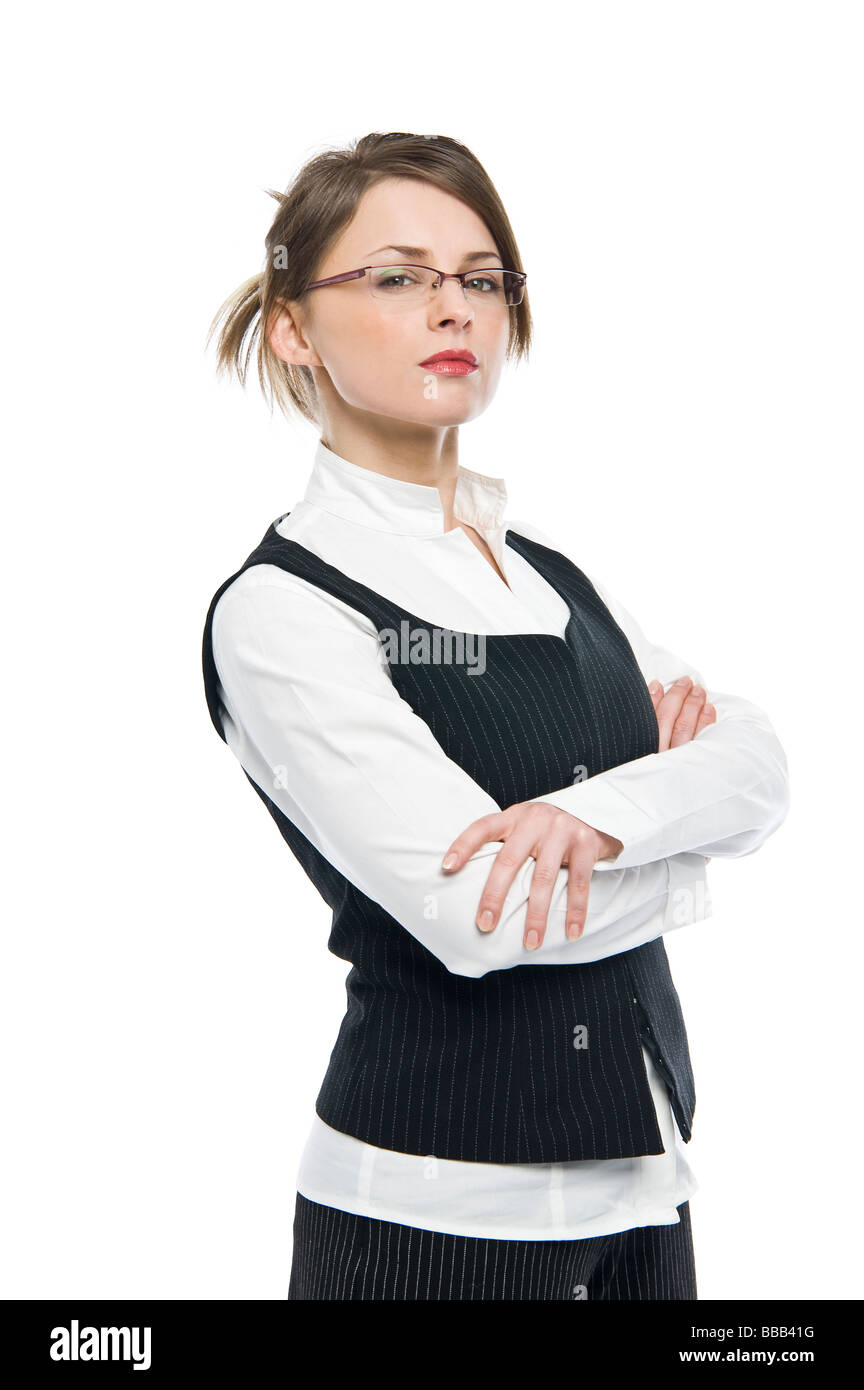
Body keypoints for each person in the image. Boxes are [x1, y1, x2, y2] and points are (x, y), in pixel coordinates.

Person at [201, 132, 790, 1301]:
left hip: (650, 1189)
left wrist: (599, 820)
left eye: (481, 278)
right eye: (397, 276)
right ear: (293, 328)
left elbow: (760, 764)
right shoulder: (282, 609)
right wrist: (680, 843)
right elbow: (482, 913)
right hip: (430, 1221)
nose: (452, 308)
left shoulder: (551, 575)